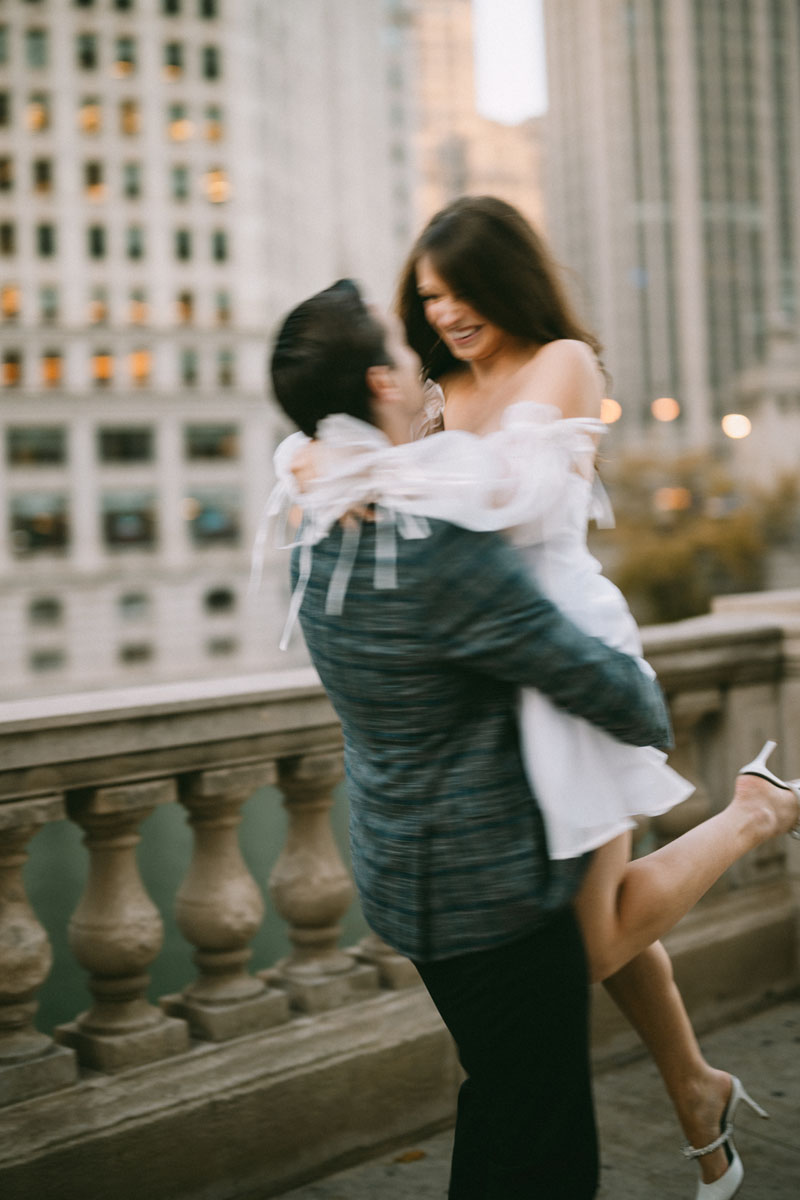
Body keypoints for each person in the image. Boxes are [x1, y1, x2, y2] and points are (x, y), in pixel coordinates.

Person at [266, 278, 799, 1200]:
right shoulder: (435, 543)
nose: (421, 349)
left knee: (507, 1100)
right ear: (379, 384)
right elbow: (625, 702)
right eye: (403, 344)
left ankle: (698, 1093)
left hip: (397, 881)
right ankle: (757, 816)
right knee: (542, 1137)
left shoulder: (314, 535)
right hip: (495, 891)